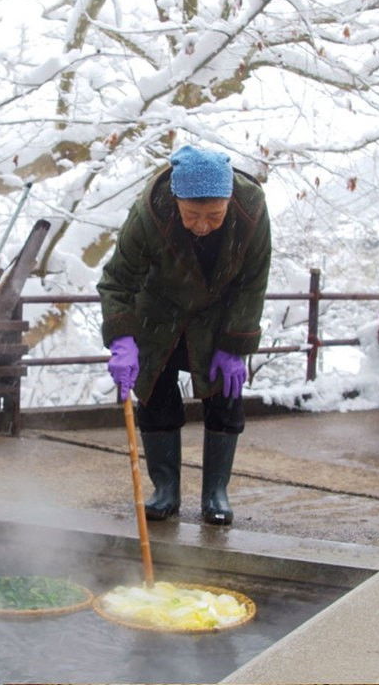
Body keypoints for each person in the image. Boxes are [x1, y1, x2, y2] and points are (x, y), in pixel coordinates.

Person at [97, 144, 271, 526]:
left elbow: (253, 282)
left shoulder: (251, 209)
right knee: (156, 393)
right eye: (192, 215)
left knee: (225, 397)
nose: (203, 225)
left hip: (219, 316)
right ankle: (166, 491)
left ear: (229, 202)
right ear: (176, 201)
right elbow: (117, 280)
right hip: (158, 313)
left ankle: (215, 493)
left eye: (214, 215)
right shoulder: (150, 211)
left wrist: (235, 344)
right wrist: (122, 340)